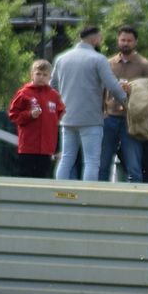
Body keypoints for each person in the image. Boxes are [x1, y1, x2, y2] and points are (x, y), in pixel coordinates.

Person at [51, 26, 129, 181]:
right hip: (91, 118)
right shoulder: (98, 59)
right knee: (91, 161)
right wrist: (126, 101)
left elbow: (52, 86)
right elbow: (112, 85)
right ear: (94, 38)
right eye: (100, 37)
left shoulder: (61, 58)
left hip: (67, 117)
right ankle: (87, 193)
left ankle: (60, 192)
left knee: (66, 158)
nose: (101, 40)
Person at [100, 26, 148, 182]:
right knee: (103, 163)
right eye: (123, 40)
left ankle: (135, 193)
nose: (126, 43)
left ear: (135, 42)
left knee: (133, 165)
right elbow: (101, 89)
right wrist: (102, 112)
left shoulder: (144, 65)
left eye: (129, 40)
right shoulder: (109, 63)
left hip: (132, 120)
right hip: (110, 118)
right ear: (118, 41)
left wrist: (134, 91)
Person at [7, 59, 66, 178]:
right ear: (32, 75)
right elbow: (13, 115)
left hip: (47, 148)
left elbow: (61, 113)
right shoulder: (24, 93)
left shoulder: (54, 95)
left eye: (45, 75)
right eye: (38, 74)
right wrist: (29, 115)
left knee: (43, 178)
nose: (41, 77)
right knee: (26, 177)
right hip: (28, 147)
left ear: (49, 77)